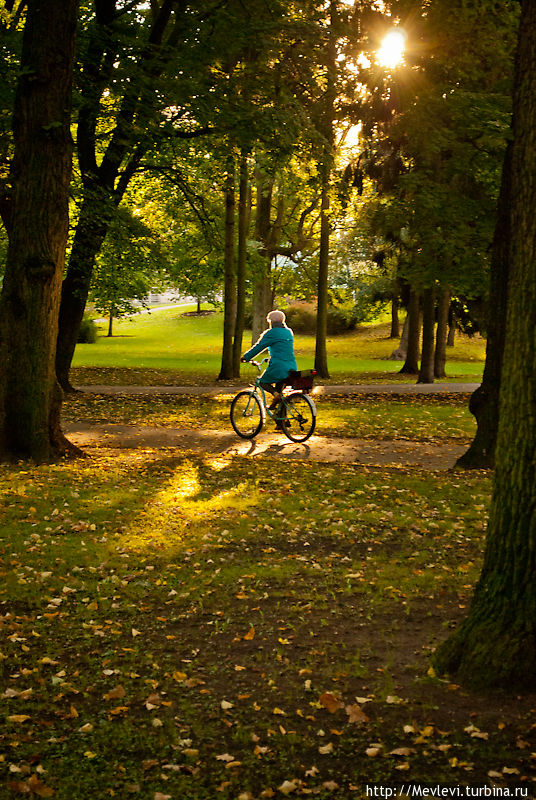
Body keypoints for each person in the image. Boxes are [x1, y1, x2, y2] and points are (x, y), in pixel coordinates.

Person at [241, 310, 297, 416]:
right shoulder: (289, 332)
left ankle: (275, 394)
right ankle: (281, 422)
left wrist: (245, 357)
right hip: (291, 366)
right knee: (281, 394)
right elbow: (281, 348)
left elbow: (259, 347)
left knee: (263, 382)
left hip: (278, 366)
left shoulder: (271, 333)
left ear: (271, 321)